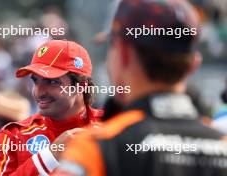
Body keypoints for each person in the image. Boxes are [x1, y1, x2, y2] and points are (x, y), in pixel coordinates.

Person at [54, 0, 227, 176]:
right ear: (193, 65)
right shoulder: (222, 144)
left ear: (123, 53)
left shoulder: (96, 147)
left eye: (111, 46)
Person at [0, 40, 103, 176]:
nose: (39, 92)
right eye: (35, 81)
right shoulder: (12, 136)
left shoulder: (112, 128)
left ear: (81, 85)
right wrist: (48, 158)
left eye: (52, 82)